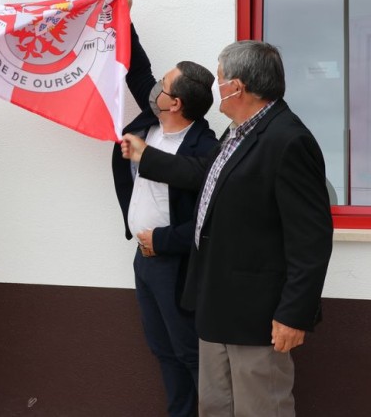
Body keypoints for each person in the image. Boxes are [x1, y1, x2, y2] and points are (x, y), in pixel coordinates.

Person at [121, 40, 333, 416]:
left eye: (219, 78)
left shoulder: (288, 140)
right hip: (215, 305)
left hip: (256, 314)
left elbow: (311, 238)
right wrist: (145, 155)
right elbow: (201, 175)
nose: (216, 87)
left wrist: (293, 314)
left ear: (237, 87)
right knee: (216, 405)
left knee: (260, 406)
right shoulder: (236, 133)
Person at [112, 21, 217, 417]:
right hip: (143, 260)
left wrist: (164, 242)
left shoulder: (205, 149)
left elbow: (211, 221)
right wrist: (124, 13)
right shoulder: (151, 121)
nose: (154, 86)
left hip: (176, 263)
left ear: (175, 103)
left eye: (164, 84)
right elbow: (137, 68)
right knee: (161, 350)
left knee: (188, 352)